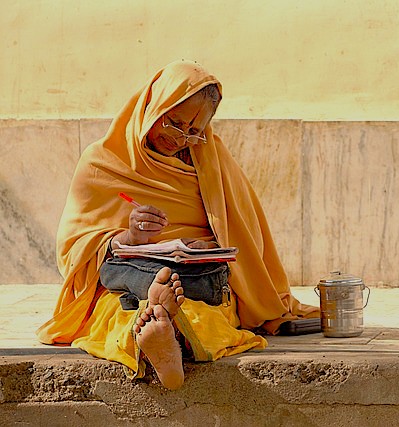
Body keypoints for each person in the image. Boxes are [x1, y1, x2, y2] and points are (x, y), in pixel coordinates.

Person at [37, 60, 319, 390]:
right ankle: (162, 327)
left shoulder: (213, 160)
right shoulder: (102, 161)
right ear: (154, 106)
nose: (180, 139)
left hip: (194, 277)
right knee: (114, 308)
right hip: (129, 274)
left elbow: (246, 233)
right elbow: (72, 247)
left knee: (202, 309)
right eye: (174, 124)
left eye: (194, 133)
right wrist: (129, 236)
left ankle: (160, 328)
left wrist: (212, 245)